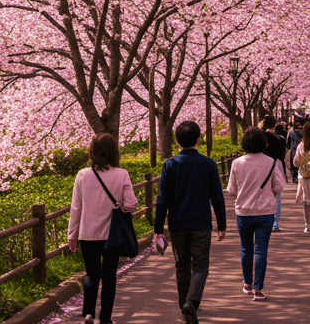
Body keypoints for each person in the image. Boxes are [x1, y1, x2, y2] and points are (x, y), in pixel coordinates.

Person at [153, 121, 227, 324]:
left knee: (182, 266)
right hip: (201, 223)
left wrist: (158, 229)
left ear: (177, 141)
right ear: (198, 139)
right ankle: (191, 303)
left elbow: (162, 199)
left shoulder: (169, 165)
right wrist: (222, 224)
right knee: (201, 266)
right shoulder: (208, 163)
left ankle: (184, 304)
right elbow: (217, 197)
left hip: (177, 223)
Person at [67, 133, 139, 324]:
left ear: (93, 151)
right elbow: (131, 204)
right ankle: (105, 318)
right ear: (114, 152)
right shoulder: (121, 174)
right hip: (111, 235)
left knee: (91, 273)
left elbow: (76, 208)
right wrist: (120, 206)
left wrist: (71, 235)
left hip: (87, 234)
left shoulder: (82, 175)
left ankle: (88, 313)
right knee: (109, 277)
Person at [225, 127, 285, 302]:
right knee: (261, 249)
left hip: (244, 211)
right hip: (265, 212)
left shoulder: (237, 163)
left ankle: (247, 284)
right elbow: (279, 187)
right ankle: (258, 289)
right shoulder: (271, 162)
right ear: (263, 143)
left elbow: (231, 190)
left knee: (246, 248)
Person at [260, 116, 287, 231]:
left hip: (260, 168)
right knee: (276, 194)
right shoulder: (279, 139)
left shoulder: (258, 137)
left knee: (261, 193)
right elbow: (281, 157)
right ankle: (275, 223)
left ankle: (262, 220)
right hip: (274, 167)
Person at [284, 118, 302, 186]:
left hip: (293, 149)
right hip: (301, 149)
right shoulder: (303, 132)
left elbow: (288, 142)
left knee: (294, 163)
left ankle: (295, 178)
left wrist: (288, 147)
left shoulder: (291, 132)